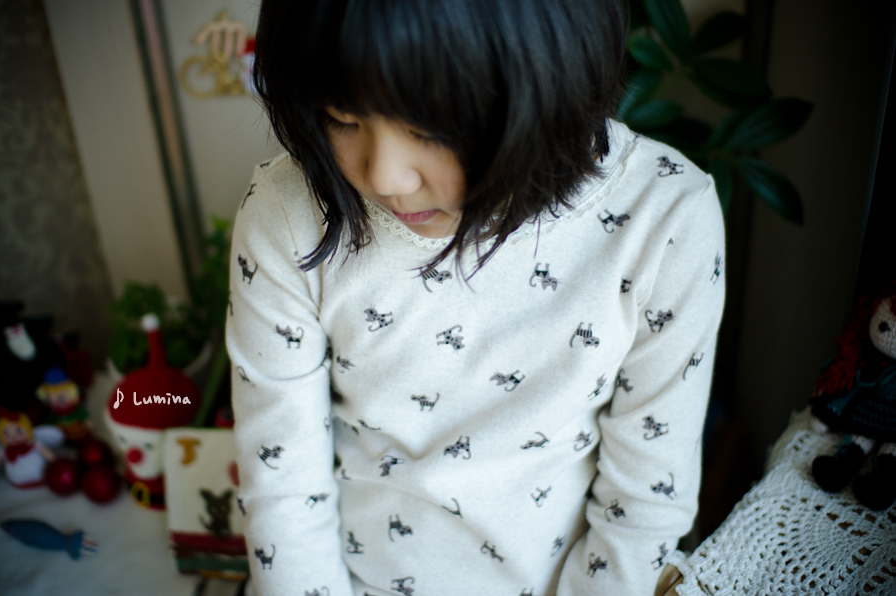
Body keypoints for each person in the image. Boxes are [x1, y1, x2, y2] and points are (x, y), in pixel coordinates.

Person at [227, 1, 725, 594]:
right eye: (342, 118)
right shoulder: (285, 216)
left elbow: (642, 510)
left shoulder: (665, 220)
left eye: (428, 128)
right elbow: (283, 491)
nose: (385, 176)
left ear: (548, 72)